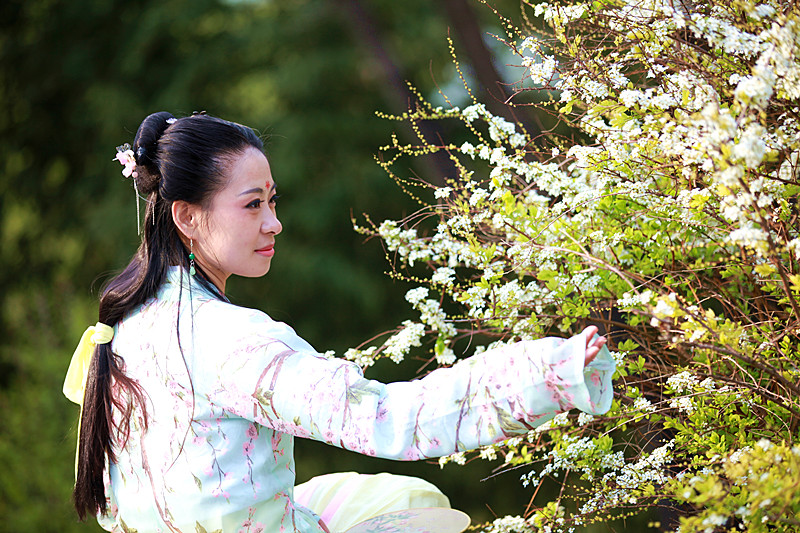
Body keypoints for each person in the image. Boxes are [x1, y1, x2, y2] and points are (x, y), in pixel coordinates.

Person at [63, 112, 615, 533]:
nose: (275, 223)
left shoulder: (125, 326)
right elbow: (390, 420)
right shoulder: (233, 342)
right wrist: (547, 372)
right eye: (252, 205)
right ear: (187, 216)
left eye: (272, 201)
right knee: (423, 512)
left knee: (377, 496)